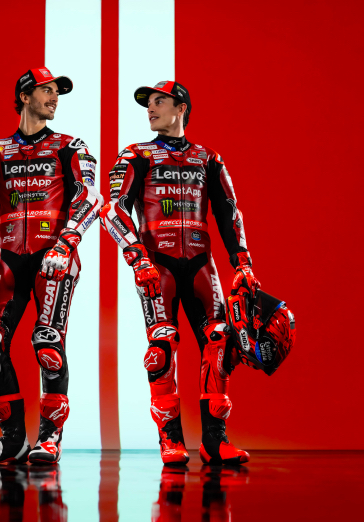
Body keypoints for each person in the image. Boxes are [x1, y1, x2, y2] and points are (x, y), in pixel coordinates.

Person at [100, 81, 259, 465]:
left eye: (159, 101)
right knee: (161, 348)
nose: (151, 108)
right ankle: (170, 440)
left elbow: (229, 212)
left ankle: (214, 442)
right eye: (148, 103)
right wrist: (137, 257)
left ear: (181, 107)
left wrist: (244, 264)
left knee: (220, 341)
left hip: (203, 263)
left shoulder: (209, 158)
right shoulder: (136, 154)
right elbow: (113, 210)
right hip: (157, 264)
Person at [0, 67, 103, 465]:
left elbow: (90, 197)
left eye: (57, 92)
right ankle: (13, 440)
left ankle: (50, 439)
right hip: (7, 261)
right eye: (46, 91)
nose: (54, 98)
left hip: (54, 259)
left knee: (47, 344)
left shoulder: (70, 146)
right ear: (24, 96)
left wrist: (68, 242)